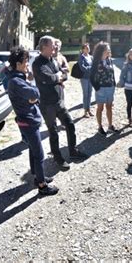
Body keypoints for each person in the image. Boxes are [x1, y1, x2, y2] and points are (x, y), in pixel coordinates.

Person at [7, 47, 59, 195]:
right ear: (19, 64)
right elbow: (35, 93)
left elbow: (33, 97)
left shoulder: (18, 78)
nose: (28, 65)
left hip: (29, 120)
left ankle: (37, 176)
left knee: (33, 149)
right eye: (26, 62)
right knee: (39, 154)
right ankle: (42, 185)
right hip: (28, 122)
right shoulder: (16, 81)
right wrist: (32, 88)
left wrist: (32, 97)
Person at [33, 36, 88, 169]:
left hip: (59, 102)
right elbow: (47, 77)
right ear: (44, 46)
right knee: (53, 132)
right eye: (52, 45)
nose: (55, 47)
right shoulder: (37, 63)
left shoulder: (53, 60)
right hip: (47, 105)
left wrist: (57, 78)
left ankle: (73, 152)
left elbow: (64, 74)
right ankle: (58, 158)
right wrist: (56, 77)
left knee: (69, 124)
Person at [90, 41, 119, 135]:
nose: (109, 50)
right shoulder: (96, 61)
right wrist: (97, 88)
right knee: (100, 108)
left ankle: (110, 126)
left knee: (109, 107)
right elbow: (91, 77)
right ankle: (100, 127)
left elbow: (112, 72)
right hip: (101, 89)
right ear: (102, 50)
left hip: (110, 87)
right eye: (107, 49)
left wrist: (114, 83)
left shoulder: (109, 60)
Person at [78, 43, 94, 118]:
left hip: (91, 77)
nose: (88, 49)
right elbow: (82, 67)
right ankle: (85, 111)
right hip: (84, 78)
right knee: (85, 94)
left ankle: (89, 109)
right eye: (86, 48)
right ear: (83, 49)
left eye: (88, 47)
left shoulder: (91, 57)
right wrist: (91, 68)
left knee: (90, 94)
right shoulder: (81, 57)